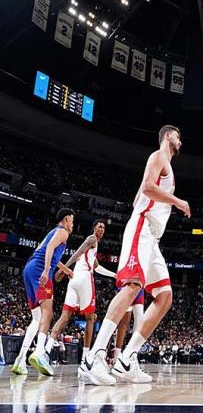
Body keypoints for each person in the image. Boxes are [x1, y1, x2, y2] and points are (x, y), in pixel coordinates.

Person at [79, 125, 191, 385]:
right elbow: (148, 188)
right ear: (167, 136)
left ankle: (127, 359)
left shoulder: (165, 165)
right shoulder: (159, 156)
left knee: (165, 296)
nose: (180, 140)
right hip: (142, 228)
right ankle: (93, 357)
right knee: (132, 286)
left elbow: (138, 196)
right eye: (178, 136)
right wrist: (177, 201)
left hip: (152, 238)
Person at [11, 208, 75, 376]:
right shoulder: (63, 232)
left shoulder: (54, 232)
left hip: (29, 269)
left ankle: (20, 360)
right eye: (72, 221)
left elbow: (51, 252)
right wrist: (47, 270)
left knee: (37, 318)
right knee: (48, 313)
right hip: (39, 269)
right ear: (66, 220)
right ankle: (39, 353)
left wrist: (65, 269)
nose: (73, 225)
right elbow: (50, 248)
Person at [46, 220, 116, 364]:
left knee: (65, 316)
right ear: (94, 228)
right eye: (99, 226)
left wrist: (114, 275)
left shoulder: (93, 247)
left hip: (73, 280)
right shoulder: (92, 239)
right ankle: (85, 358)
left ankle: (46, 349)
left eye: (104, 228)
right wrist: (63, 269)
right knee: (90, 318)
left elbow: (97, 267)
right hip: (84, 278)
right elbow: (78, 252)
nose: (102, 229)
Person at [113, 289, 145, 363]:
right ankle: (116, 356)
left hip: (140, 287)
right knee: (124, 320)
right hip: (126, 284)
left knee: (139, 320)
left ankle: (132, 355)